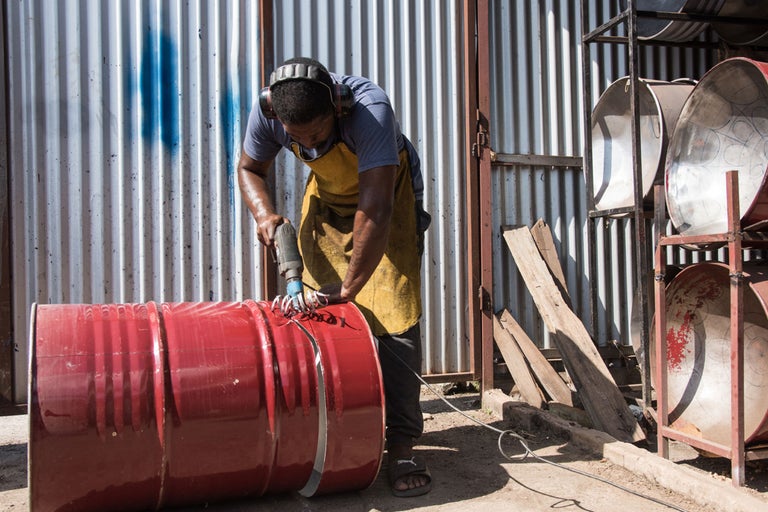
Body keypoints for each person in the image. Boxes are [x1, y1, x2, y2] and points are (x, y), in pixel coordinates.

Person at [237, 57, 432, 497]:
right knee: (310, 308)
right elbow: (249, 169)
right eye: (298, 139)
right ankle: (329, 427)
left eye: (319, 135)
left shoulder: (369, 110)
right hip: (328, 202)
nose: (311, 145)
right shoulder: (269, 111)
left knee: (393, 315)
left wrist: (348, 288)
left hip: (386, 199)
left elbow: (376, 208)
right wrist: (265, 214)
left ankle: (402, 443)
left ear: (337, 109)